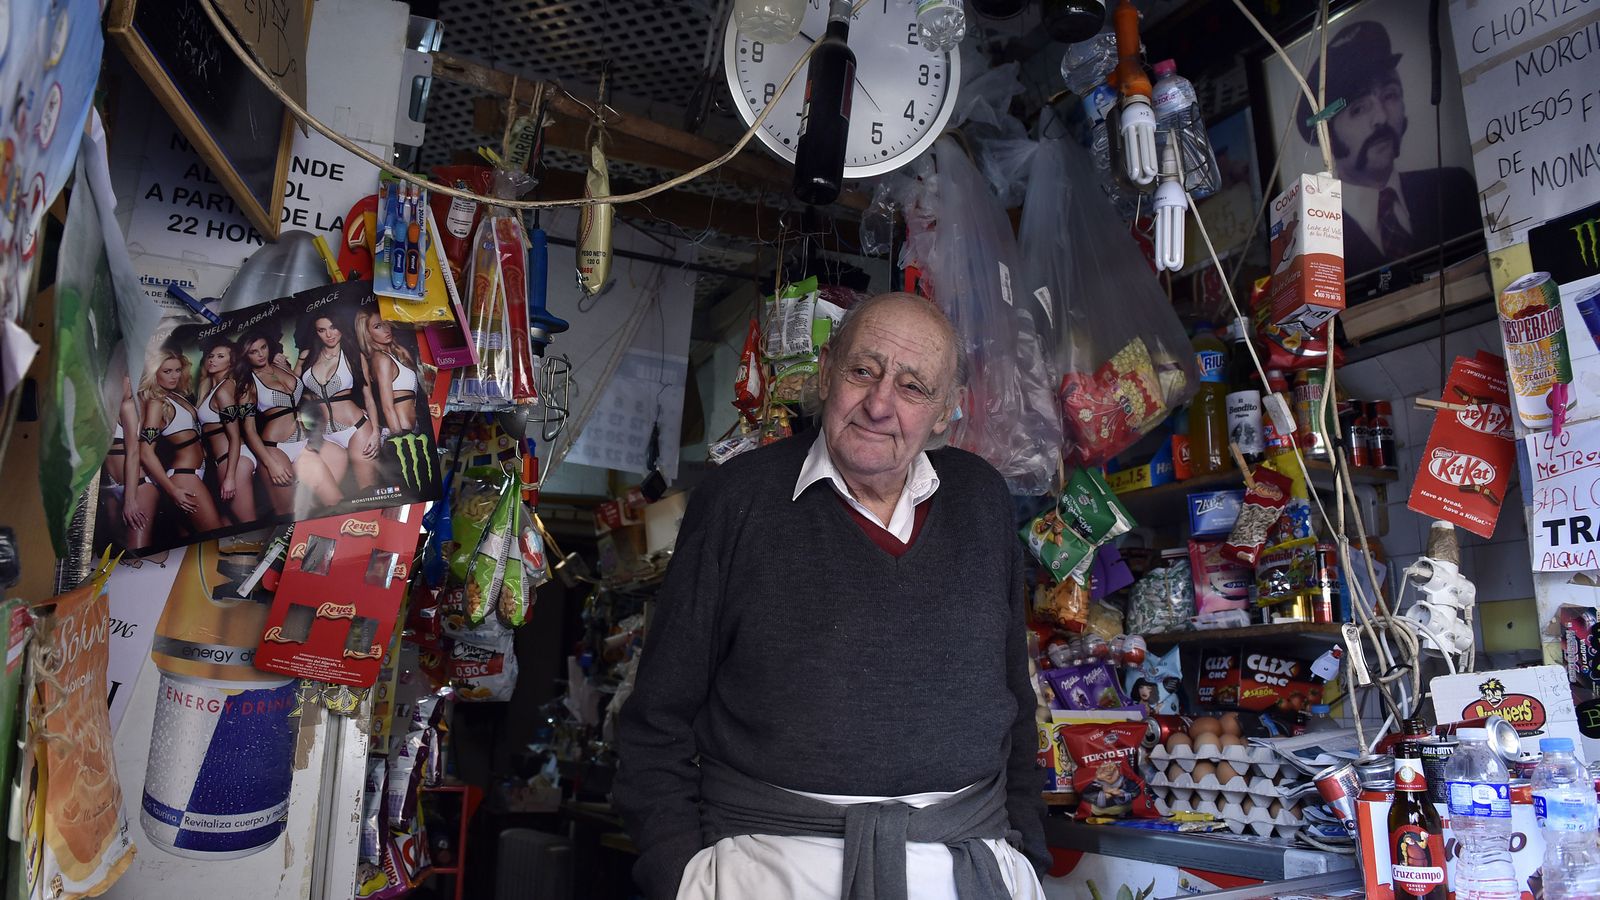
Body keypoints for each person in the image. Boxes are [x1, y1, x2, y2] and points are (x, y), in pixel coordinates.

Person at [615, 292, 1048, 900]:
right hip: (768, 870)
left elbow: (1013, 696)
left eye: (913, 387)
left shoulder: (981, 500)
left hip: (963, 868)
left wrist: (1023, 840)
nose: (879, 404)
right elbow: (656, 716)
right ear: (825, 372)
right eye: (863, 371)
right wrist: (678, 872)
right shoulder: (738, 499)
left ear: (946, 410)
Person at [1295, 19, 1479, 277]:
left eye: (1389, 95)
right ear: (1327, 137)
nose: (1380, 117)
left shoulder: (1454, 188)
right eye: (1358, 109)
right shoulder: (1316, 240)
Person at [238, 328, 340, 516]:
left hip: (303, 443)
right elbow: (249, 431)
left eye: (263, 348)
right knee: (287, 513)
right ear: (246, 355)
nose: (261, 354)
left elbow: (304, 395)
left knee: (334, 500)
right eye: (253, 351)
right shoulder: (248, 385)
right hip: (276, 448)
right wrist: (270, 463)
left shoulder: (282, 367)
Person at [137, 347, 223, 538]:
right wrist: (172, 490)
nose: (174, 376)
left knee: (193, 540)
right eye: (167, 371)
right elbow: (145, 452)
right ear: (154, 373)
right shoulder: (157, 403)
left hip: (197, 474)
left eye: (177, 370)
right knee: (216, 535)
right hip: (184, 479)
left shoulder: (175, 396)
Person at [296, 314, 382, 493]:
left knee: (367, 490)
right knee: (327, 496)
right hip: (324, 434)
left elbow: (369, 399)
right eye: (322, 330)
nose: (329, 334)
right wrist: (279, 365)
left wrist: (375, 432)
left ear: (341, 327)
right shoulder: (307, 356)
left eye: (333, 327)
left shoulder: (353, 356)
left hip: (356, 429)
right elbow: (291, 389)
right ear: (316, 332)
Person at [194, 338, 257, 525]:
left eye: (220, 356)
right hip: (226, 461)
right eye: (211, 356)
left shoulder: (223, 391)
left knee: (248, 522)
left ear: (231, 362)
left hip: (233, 461)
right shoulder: (214, 387)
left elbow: (235, 436)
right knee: (226, 521)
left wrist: (230, 478)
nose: (213, 360)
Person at [104, 376, 158, 551]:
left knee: (137, 553)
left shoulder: (129, 406)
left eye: (126, 377)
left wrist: (129, 500)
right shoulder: (106, 407)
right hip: (111, 489)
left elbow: (134, 453)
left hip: (137, 488)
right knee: (119, 553)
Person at [356, 310, 421, 434]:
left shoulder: (398, 352)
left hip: (412, 429)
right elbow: (387, 407)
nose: (386, 329)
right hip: (399, 430)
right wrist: (400, 438)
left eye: (386, 323)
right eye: (377, 326)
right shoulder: (381, 359)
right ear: (367, 333)